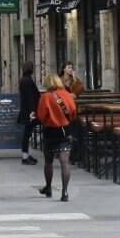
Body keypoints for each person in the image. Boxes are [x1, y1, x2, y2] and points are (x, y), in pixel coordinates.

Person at [34, 73, 77, 201]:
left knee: (48, 161)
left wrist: (48, 121)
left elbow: (41, 116)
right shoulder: (67, 95)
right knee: (65, 162)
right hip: (65, 131)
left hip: (50, 132)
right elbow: (73, 111)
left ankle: (48, 188)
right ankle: (65, 193)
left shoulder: (45, 97)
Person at [19, 67, 42, 165]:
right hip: (29, 112)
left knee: (27, 134)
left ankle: (26, 155)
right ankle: (25, 156)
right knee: (27, 134)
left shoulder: (24, 80)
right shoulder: (27, 81)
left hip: (26, 110)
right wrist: (32, 111)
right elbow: (30, 97)